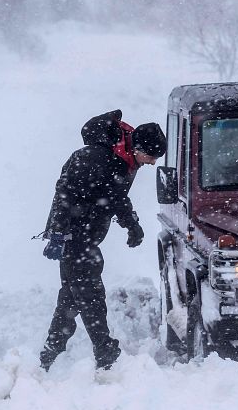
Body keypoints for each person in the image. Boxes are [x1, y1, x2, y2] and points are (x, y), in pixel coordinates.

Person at [39, 110, 166, 371]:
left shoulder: (122, 159)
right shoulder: (95, 158)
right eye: (151, 157)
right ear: (140, 148)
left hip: (86, 237)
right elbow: (64, 194)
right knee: (90, 294)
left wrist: (133, 226)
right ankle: (104, 351)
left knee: (72, 297)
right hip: (75, 238)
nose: (152, 163)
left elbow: (116, 196)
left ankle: (48, 355)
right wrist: (57, 234)